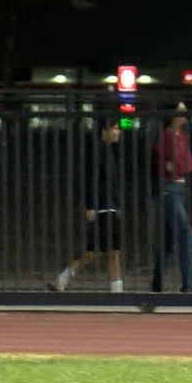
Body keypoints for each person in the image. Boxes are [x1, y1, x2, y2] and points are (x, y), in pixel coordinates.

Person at [50, 119, 125, 292]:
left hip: (110, 207)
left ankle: (115, 288)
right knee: (102, 250)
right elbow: (91, 181)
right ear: (104, 132)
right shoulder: (98, 153)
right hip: (102, 208)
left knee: (107, 251)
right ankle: (66, 277)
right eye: (114, 128)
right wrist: (90, 206)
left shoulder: (110, 152)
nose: (117, 132)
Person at [151, 101, 192, 293]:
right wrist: (177, 166)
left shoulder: (182, 136)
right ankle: (188, 284)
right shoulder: (165, 137)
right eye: (181, 111)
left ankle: (157, 282)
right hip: (169, 189)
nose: (184, 114)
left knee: (169, 239)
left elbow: (188, 165)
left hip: (179, 188)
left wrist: (178, 166)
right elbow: (177, 165)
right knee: (186, 234)